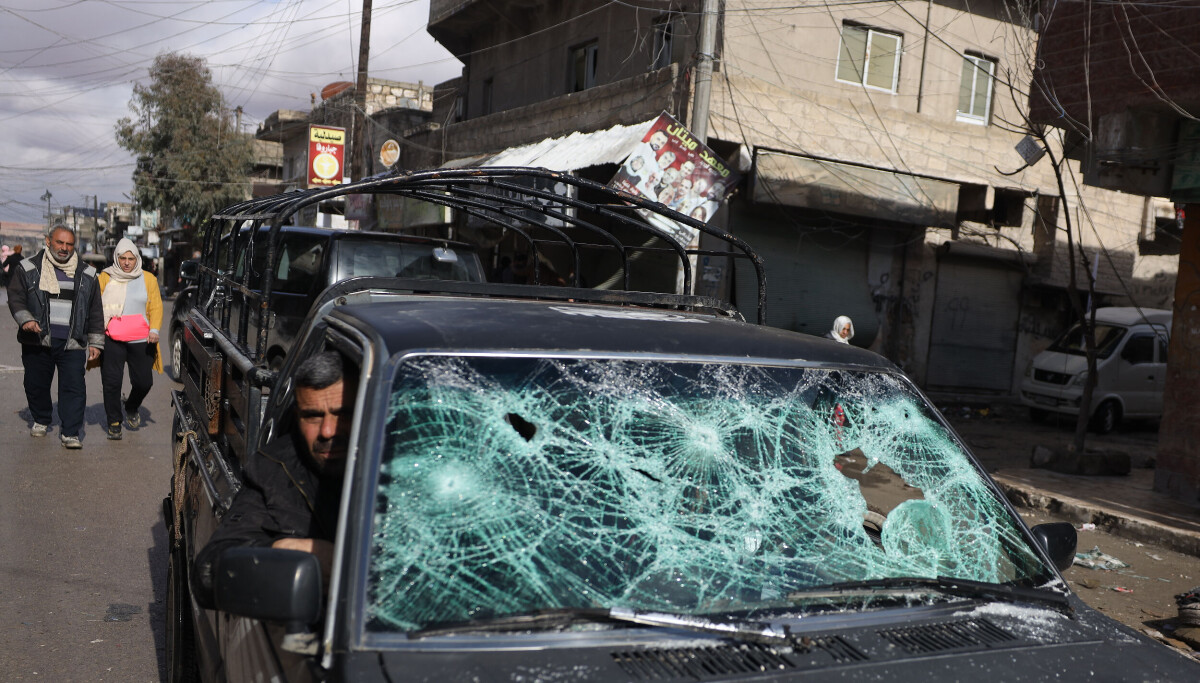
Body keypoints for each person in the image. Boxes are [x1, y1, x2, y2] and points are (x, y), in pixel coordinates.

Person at [192, 352, 356, 607]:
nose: (327, 431)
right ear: (296, 416)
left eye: (342, 414)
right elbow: (209, 572)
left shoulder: (415, 474)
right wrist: (282, 554)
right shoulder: (274, 471)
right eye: (313, 416)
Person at [7, 225, 104, 448]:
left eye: (69, 244)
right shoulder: (28, 267)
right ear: (48, 241)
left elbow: (96, 310)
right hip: (38, 339)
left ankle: (70, 432)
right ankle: (41, 419)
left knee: (74, 388)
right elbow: (16, 298)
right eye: (60, 242)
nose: (64, 248)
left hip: (73, 341)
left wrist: (96, 342)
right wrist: (26, 319)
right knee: (36, 384)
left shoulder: (88, 274)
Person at [97, 238, 163, 440]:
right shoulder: (106, 277)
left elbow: (156, 307)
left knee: (144, 382)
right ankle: (114, 422)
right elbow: (96, 307)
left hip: (141, 339)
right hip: (112, 338)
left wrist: (154, 329)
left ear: (137, 259)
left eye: (130, 258)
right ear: (116, 258)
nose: (126, 262)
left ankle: (132, 406)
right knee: (112, 382)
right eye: (122, 258)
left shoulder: (148, 279)